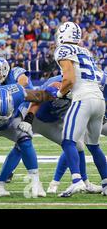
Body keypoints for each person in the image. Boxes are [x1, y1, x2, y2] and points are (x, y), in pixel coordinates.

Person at [52, 22, 107, 197]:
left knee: (68, 141)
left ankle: (77, 181)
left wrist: (60, 94)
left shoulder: (63, 50)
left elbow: (69, 79)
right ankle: (106, 183)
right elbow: (99, 77)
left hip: (83, 99)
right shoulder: (86, 52)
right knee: (93, 145)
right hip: (99, 99)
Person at [0, 83, 53, 197]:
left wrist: (29, 118)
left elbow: (40, 96)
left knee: (25, 139)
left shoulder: (17, 93)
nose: (1, 120)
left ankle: (35, 182)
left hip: (11, 123)